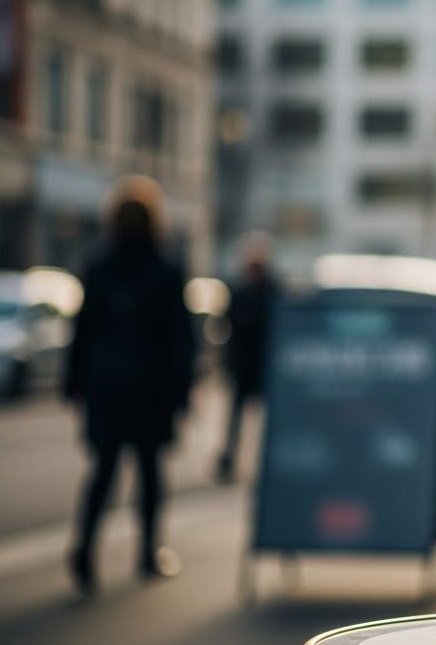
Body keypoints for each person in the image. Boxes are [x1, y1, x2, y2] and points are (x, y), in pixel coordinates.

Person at [64, 175, 195, 595]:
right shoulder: (166, 269)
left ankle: (84, 549)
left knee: (103, 470)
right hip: (150, 386)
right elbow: (180, 339)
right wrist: (182, 391)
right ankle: (148, 551)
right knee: (150, 471)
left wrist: (74, 383)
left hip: (107, 384)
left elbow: (82, 330)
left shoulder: (98, 266)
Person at [215, 232, 279, 484]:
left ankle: (241, 458)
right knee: (238, 415)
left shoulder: (260, 290)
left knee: (248, 415)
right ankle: (230, 458)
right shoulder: (247, 289)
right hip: (248, 362)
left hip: (256, 361)